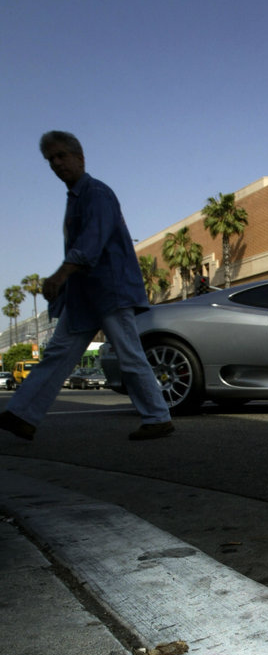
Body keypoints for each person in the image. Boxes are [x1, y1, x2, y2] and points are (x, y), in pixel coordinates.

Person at [0, 131, 174, 442]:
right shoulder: (76, 198)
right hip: (84, 297)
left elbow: (91, 243)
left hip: (110, 290)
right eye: (50, 159)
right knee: (58, 354)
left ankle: (158, 417)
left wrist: (59, 276)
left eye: (61, 156)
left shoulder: (96, 194)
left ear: (80, 158)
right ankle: (21, 415)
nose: (56, 163)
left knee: (128, 354)